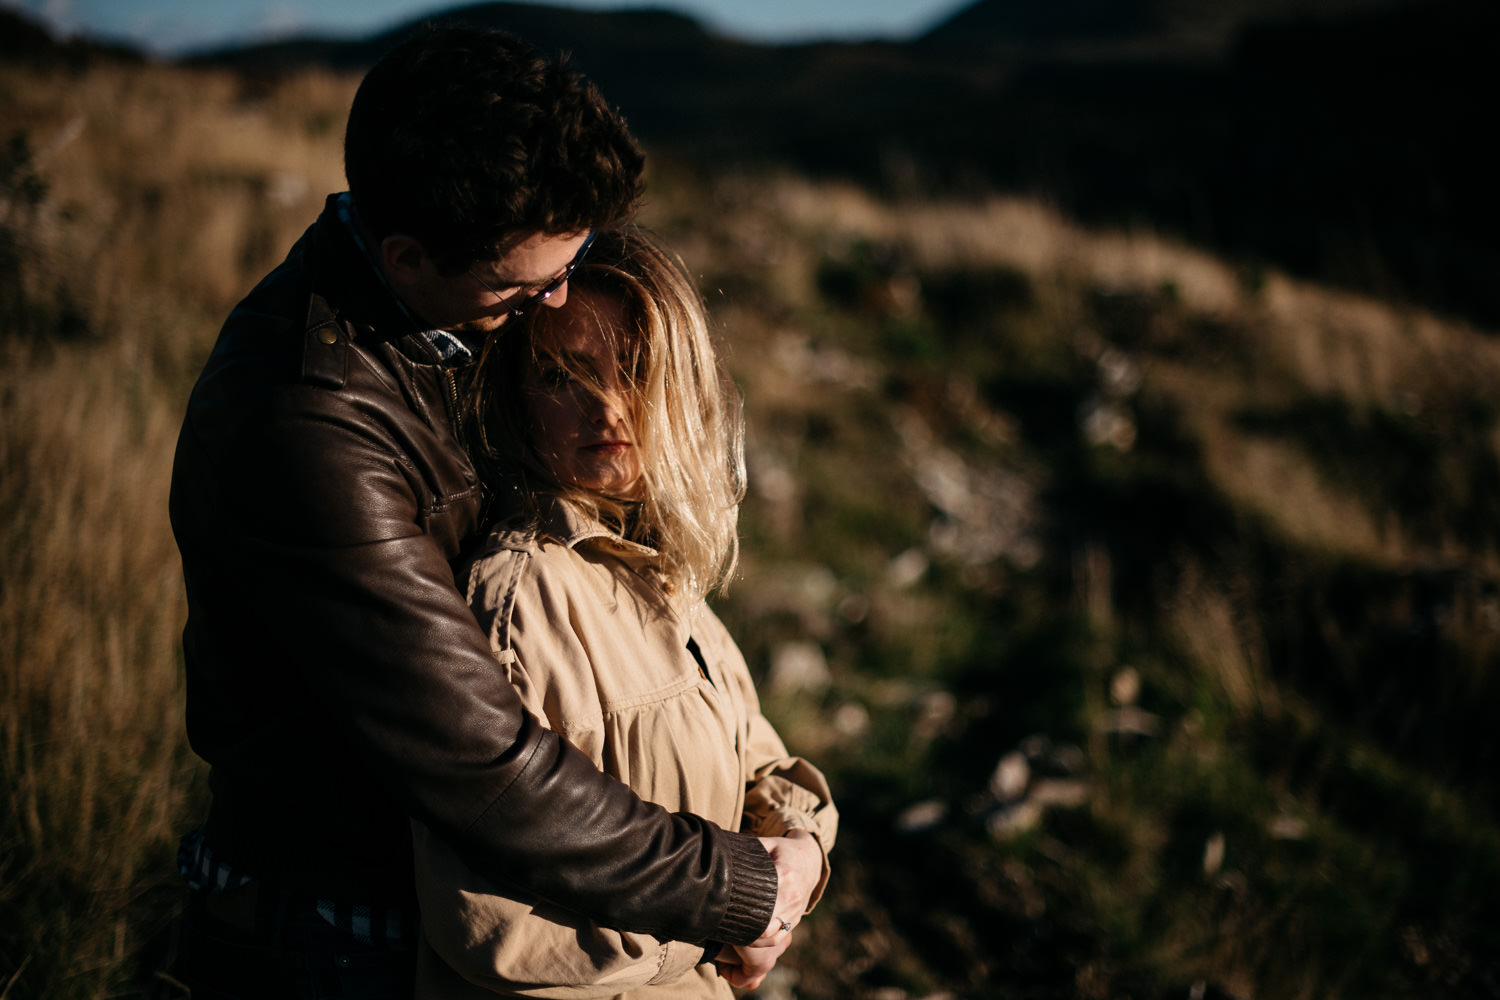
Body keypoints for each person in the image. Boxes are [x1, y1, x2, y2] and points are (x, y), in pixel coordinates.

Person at [166, 25, 820, 998]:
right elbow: (488, 763)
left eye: (575, 259)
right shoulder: (310, 430)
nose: (555, 298)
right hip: (334, 935)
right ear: (409, 252)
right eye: (527, 284)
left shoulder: (442, 319)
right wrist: (740, 889)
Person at [412, 228, 838, 999]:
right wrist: (732, 920)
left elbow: (760, 764)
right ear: (518, 399)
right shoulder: (521, 595)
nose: (607, 407)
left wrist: (801, 853)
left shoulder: (662, 570)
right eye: (561, 375)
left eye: (636, 370)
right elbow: (502, 932)